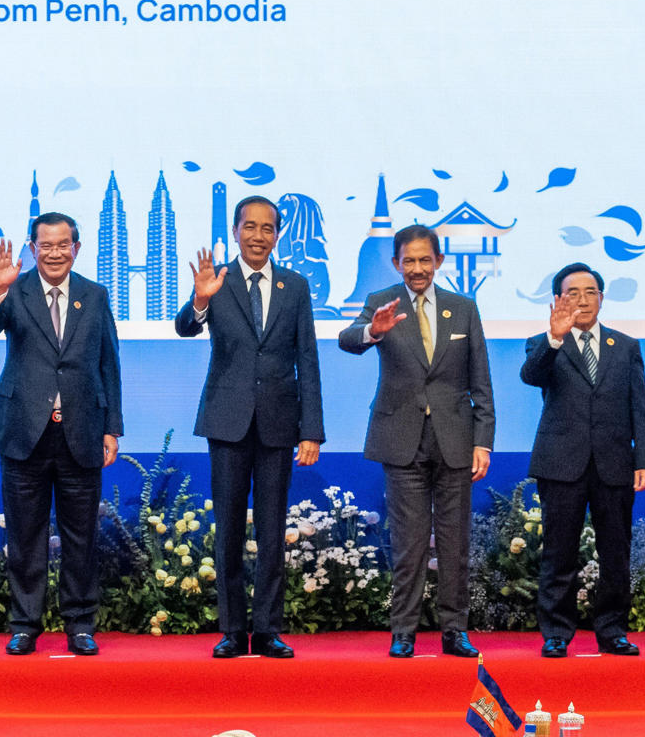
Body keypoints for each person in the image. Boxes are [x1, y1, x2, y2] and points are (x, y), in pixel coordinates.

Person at [176, 194, 324, 660]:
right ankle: (232, 631)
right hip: (227, 422)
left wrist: (311, 430)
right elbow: (185, 328)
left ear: (276, 234)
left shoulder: (295, 287)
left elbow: (308, 361)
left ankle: (267, 631)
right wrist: (201, 299)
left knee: (273, 530)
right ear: (236, 231)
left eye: (268, 228)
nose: (259, 236)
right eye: (250, 227)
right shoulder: (216, 281)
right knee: (229, 533)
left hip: (280, 424)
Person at [339, 223, 493, 659]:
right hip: (401, 439)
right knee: (407, 543)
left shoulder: (463, 308)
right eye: (409, 261)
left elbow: (481, 381)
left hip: (455, 440)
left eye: (426, 260)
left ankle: (454, 631)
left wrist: (483, 441)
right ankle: (403, 631)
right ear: (396, 264)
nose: (418, 268)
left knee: (453, 542)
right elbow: (348, 340)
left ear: (439, 262)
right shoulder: (379, 304)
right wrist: (375, 330)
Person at [0, 213, 122, 657]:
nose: (55, 252)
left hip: (81, 431)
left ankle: (80, 624)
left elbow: (108, 364)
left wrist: (112, 426)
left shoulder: (94, 296)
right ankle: (25, 624)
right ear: (33, 248)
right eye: (46, 245)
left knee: (81, 535)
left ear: (76, 248)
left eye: (64, 245)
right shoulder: (14, 291)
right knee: (25, 535)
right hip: (24, 432)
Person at [521, 261, 645, 658]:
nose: (583, 300)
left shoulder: (625, 345)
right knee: (559, 552)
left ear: (602, 297)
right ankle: (556, 633)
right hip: (562, 463)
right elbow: (532, 375)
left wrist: (643, 458)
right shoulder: (543, 342)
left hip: (614, 463)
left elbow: (640, 406)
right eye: (572, 293)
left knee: (616, 552)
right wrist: (555, 338)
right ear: (558, 301)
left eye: (590, 292)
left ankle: (612, 631)